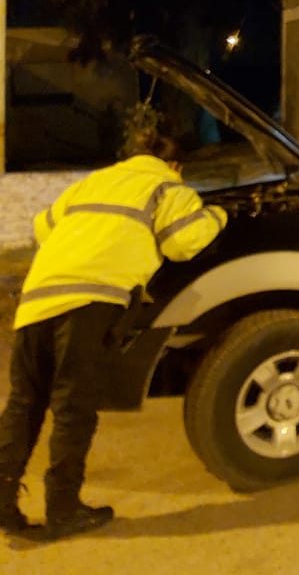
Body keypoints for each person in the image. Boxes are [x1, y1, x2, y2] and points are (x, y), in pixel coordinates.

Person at [0, 132, 227, 541]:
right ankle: (64, 510)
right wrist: (217, 216)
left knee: (23, 403)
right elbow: (183, 243)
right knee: (74, 407)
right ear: (175, 166)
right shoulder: (167, 187)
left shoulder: (94, 182)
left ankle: (1, 503)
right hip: (92, 301)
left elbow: (43, 227)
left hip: (37, 300)